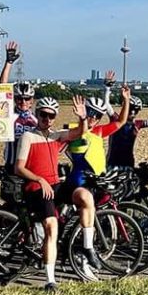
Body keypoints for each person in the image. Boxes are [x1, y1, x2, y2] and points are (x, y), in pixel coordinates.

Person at [15, 95, 87, 293]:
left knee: (85, 196)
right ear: (37, 114)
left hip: (55, 185)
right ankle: (50, 279)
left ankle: (87, 246)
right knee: (51, 225)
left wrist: (82, 117)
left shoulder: (56, 136)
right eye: (43, 115)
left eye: (51, 116)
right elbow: (19, 168)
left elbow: (80, 133)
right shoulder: (28, 137)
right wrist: (39, 179)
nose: (47, 119)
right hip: (37, 188)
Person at [62, 87, 131, 280]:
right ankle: (86, 250)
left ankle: (84, 255)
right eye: (91, 113)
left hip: (95, 181)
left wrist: (125, 100)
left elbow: (121, 122)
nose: (94, 118)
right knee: (85, 209)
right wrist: (82, 118)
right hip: (78, 180)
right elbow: (77, 133)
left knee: (90, 218)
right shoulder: (74, 129)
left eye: (98, 116)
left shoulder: (99, 131)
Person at [0, 41, 38, 173]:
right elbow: (1, 90)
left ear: (32, 100)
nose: (23, 101)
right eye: (19, 98)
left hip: (31, 166)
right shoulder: (10, 115)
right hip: (11, 165)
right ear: (14, 99)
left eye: (27, 98)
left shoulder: (36, 119)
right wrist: (8, 63)